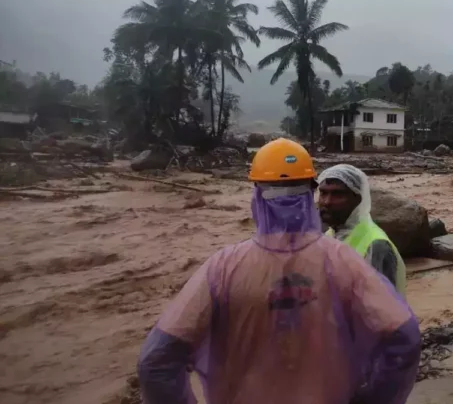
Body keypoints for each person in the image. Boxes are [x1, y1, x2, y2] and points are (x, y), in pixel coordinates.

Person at [137, 139, 420, 404]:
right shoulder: (344, 259)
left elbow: (157, 362)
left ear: (257, 196)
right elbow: (403, 338)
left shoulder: (222, 267)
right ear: (312, 194)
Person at [318, 164, 407, 295]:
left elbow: (383, 308)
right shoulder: (331, 234)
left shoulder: (376, 245)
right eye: (323, 193)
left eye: (337, 194)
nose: (327, 202)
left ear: (358, 199)